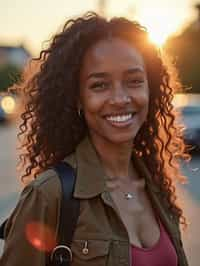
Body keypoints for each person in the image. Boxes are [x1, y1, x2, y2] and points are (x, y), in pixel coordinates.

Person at [0, 12, 189, 266]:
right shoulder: (49, 195)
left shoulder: (156, 185)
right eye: (99, 85)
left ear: (150, 88)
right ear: (77, 97)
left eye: (134, 81)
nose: (120, 98)